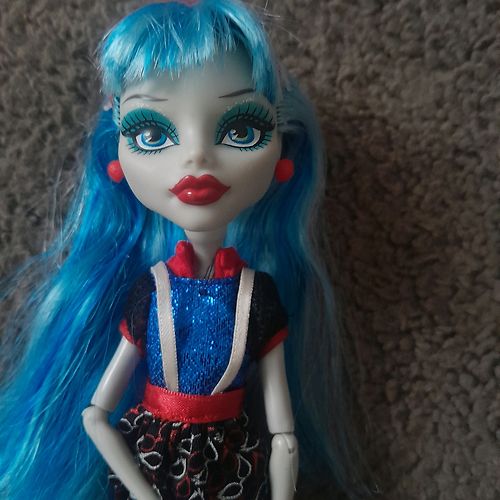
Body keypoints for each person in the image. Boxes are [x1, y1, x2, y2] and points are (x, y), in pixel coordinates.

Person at [0, 1, 369, 499]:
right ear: (116, 160)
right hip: (154, 463)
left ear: (284, 154)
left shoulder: (259, 299)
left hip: (232, 469)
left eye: (241, 130)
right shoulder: (149, 294)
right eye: (152, 133)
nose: (196, 156)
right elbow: (94, 416)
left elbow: (283, 435)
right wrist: (142, 491)